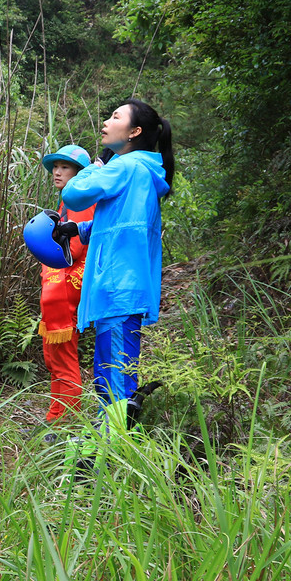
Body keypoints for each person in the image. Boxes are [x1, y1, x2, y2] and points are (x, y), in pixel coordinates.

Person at [55, 98, 174, 437]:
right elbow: (121, 221)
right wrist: (78, 229)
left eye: (115, 116)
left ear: (134, 132)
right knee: (108, 373)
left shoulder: (125, 167)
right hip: (122, 286)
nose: (106, 122)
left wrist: (96, 166)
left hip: (118, 287)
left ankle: (116, 448)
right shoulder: (141, 170)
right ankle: (104, 444)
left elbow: (74, 194)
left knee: (116, 377)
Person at [36, 144, 94, 422]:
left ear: (80, 173)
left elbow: (73, 249)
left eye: (65, 167)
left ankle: (66, 421)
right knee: (54, 356)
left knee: (64, 356)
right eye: (55, 167)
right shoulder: (68, 201)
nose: (57, 172)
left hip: (67, 286)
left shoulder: (80, 201)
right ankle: (55, 416)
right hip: (58, 286)